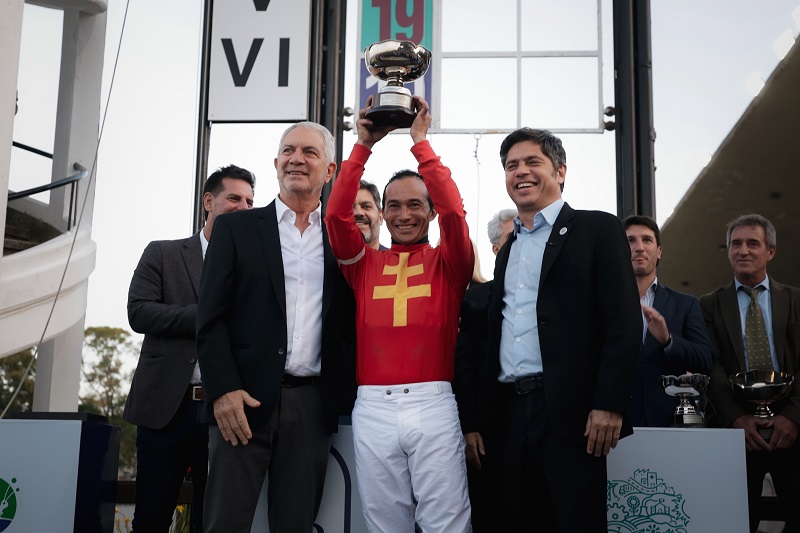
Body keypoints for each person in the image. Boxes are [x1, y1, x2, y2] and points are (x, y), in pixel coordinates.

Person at [473, 127, 641, 531]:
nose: (520, 172)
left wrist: (610, 403)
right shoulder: (508, 249)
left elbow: (623, 321)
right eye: (511, 165)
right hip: (510, 414)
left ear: (560, 171)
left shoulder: (598, 229)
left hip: (572, 416)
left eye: (533, 162)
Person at [196, 122, 356, 533]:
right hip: (241, 405)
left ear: (330, 170)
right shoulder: (236, 229)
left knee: (295, 525)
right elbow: (209, 319)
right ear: (276, 162)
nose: (296, 159)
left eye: (309, 152)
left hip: (312, 408)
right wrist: (223, 390)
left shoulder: (343, 239)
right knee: (224, 525)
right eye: (288, 151)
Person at [325, 96, 474, 533]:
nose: (403, 215)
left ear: (430, 211)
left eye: (414, 205)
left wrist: (420, 143)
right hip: (372, 407)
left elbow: (455, 213)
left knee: (446, 523)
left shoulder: (450, 262)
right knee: (384, 525)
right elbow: (335, 215)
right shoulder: (363, 265)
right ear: (383, 213)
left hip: (433, 403)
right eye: (393, 205)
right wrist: (363, 145)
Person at [124, 165, 255, 533]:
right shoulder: (163, 253)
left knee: (210, 521)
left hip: (225, 411)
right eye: (234, 198)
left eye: (250, 202)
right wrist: (207, 315)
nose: (243, 207)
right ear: (209, 202)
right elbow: (139, 312)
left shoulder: (256, 269)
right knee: (151, 518)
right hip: (166, 407)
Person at [701, 213, 800, 533]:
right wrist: (735, 418)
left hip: (793, 428)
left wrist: (793, 417)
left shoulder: (796, 299)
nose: (743, 250)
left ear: (770, 251)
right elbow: (711, 365)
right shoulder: (708, 305)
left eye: (752, 243)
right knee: (735, 523)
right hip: (736, 435)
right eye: (736, 244)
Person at [454, 208, 516, 532]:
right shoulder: (474, 299)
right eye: (512, 237)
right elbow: (463, 368)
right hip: (489, 433)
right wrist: (470, 426)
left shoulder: (549, 297)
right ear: (495, 248)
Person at [623, 215, 713, 427]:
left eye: (647, 240)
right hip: (615, 427)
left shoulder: (686, 304)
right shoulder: (602, 304)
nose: (639, 248)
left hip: (671, 424)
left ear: (659, 251)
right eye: (630, 241)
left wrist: (668, 341)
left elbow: (706, 361)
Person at [355, 179, 385, 250]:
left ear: (380, 217)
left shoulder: (396, 257)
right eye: (350, 208)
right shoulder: (329, 256)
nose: (358, 212)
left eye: (366, 206)